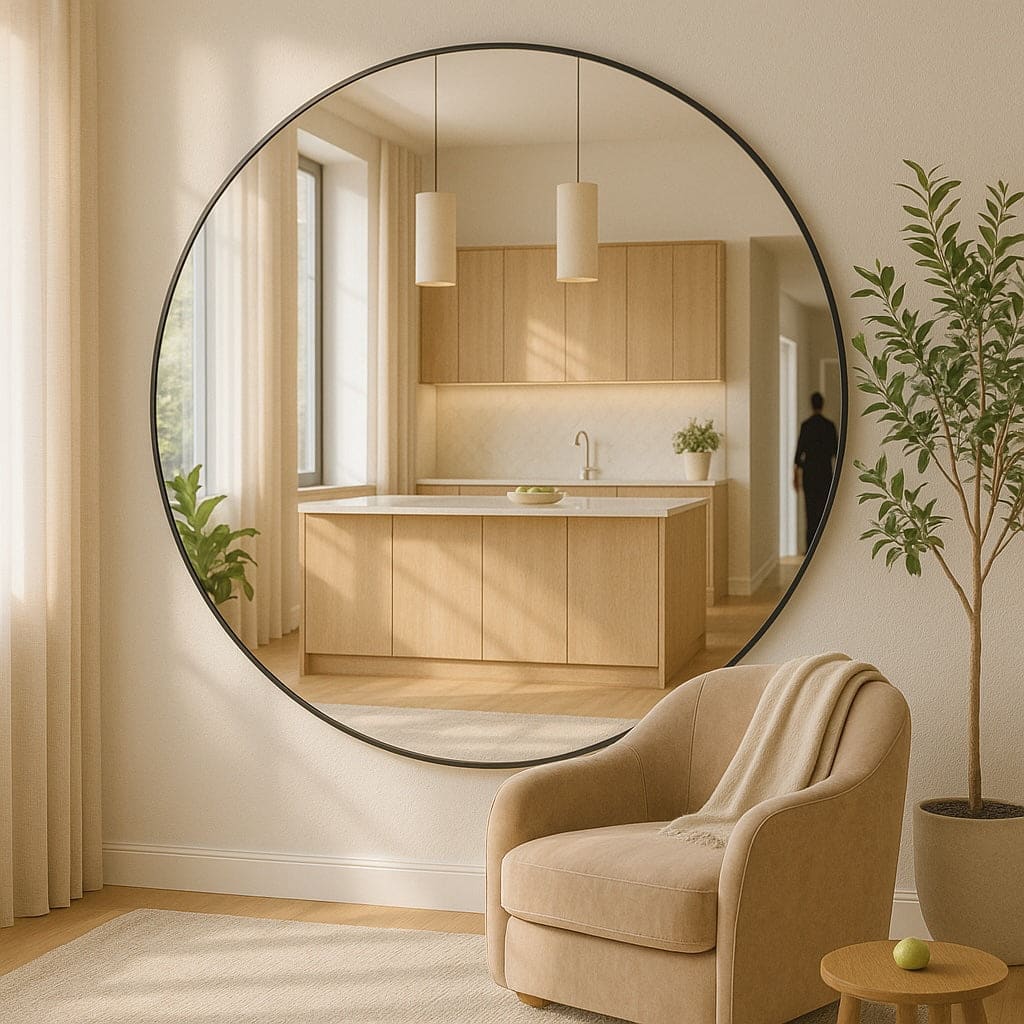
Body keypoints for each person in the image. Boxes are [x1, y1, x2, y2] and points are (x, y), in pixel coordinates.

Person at [793, 392, 838, 550]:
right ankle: (823, 548)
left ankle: (810, 548)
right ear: (822, 404)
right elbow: (836, 452)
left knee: (810, 512)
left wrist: (796, 476)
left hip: (810, 474)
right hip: (825, 473)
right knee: (824, 511)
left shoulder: (806, 425)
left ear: (811, 404)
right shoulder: (829, 426)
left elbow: (798, 455)